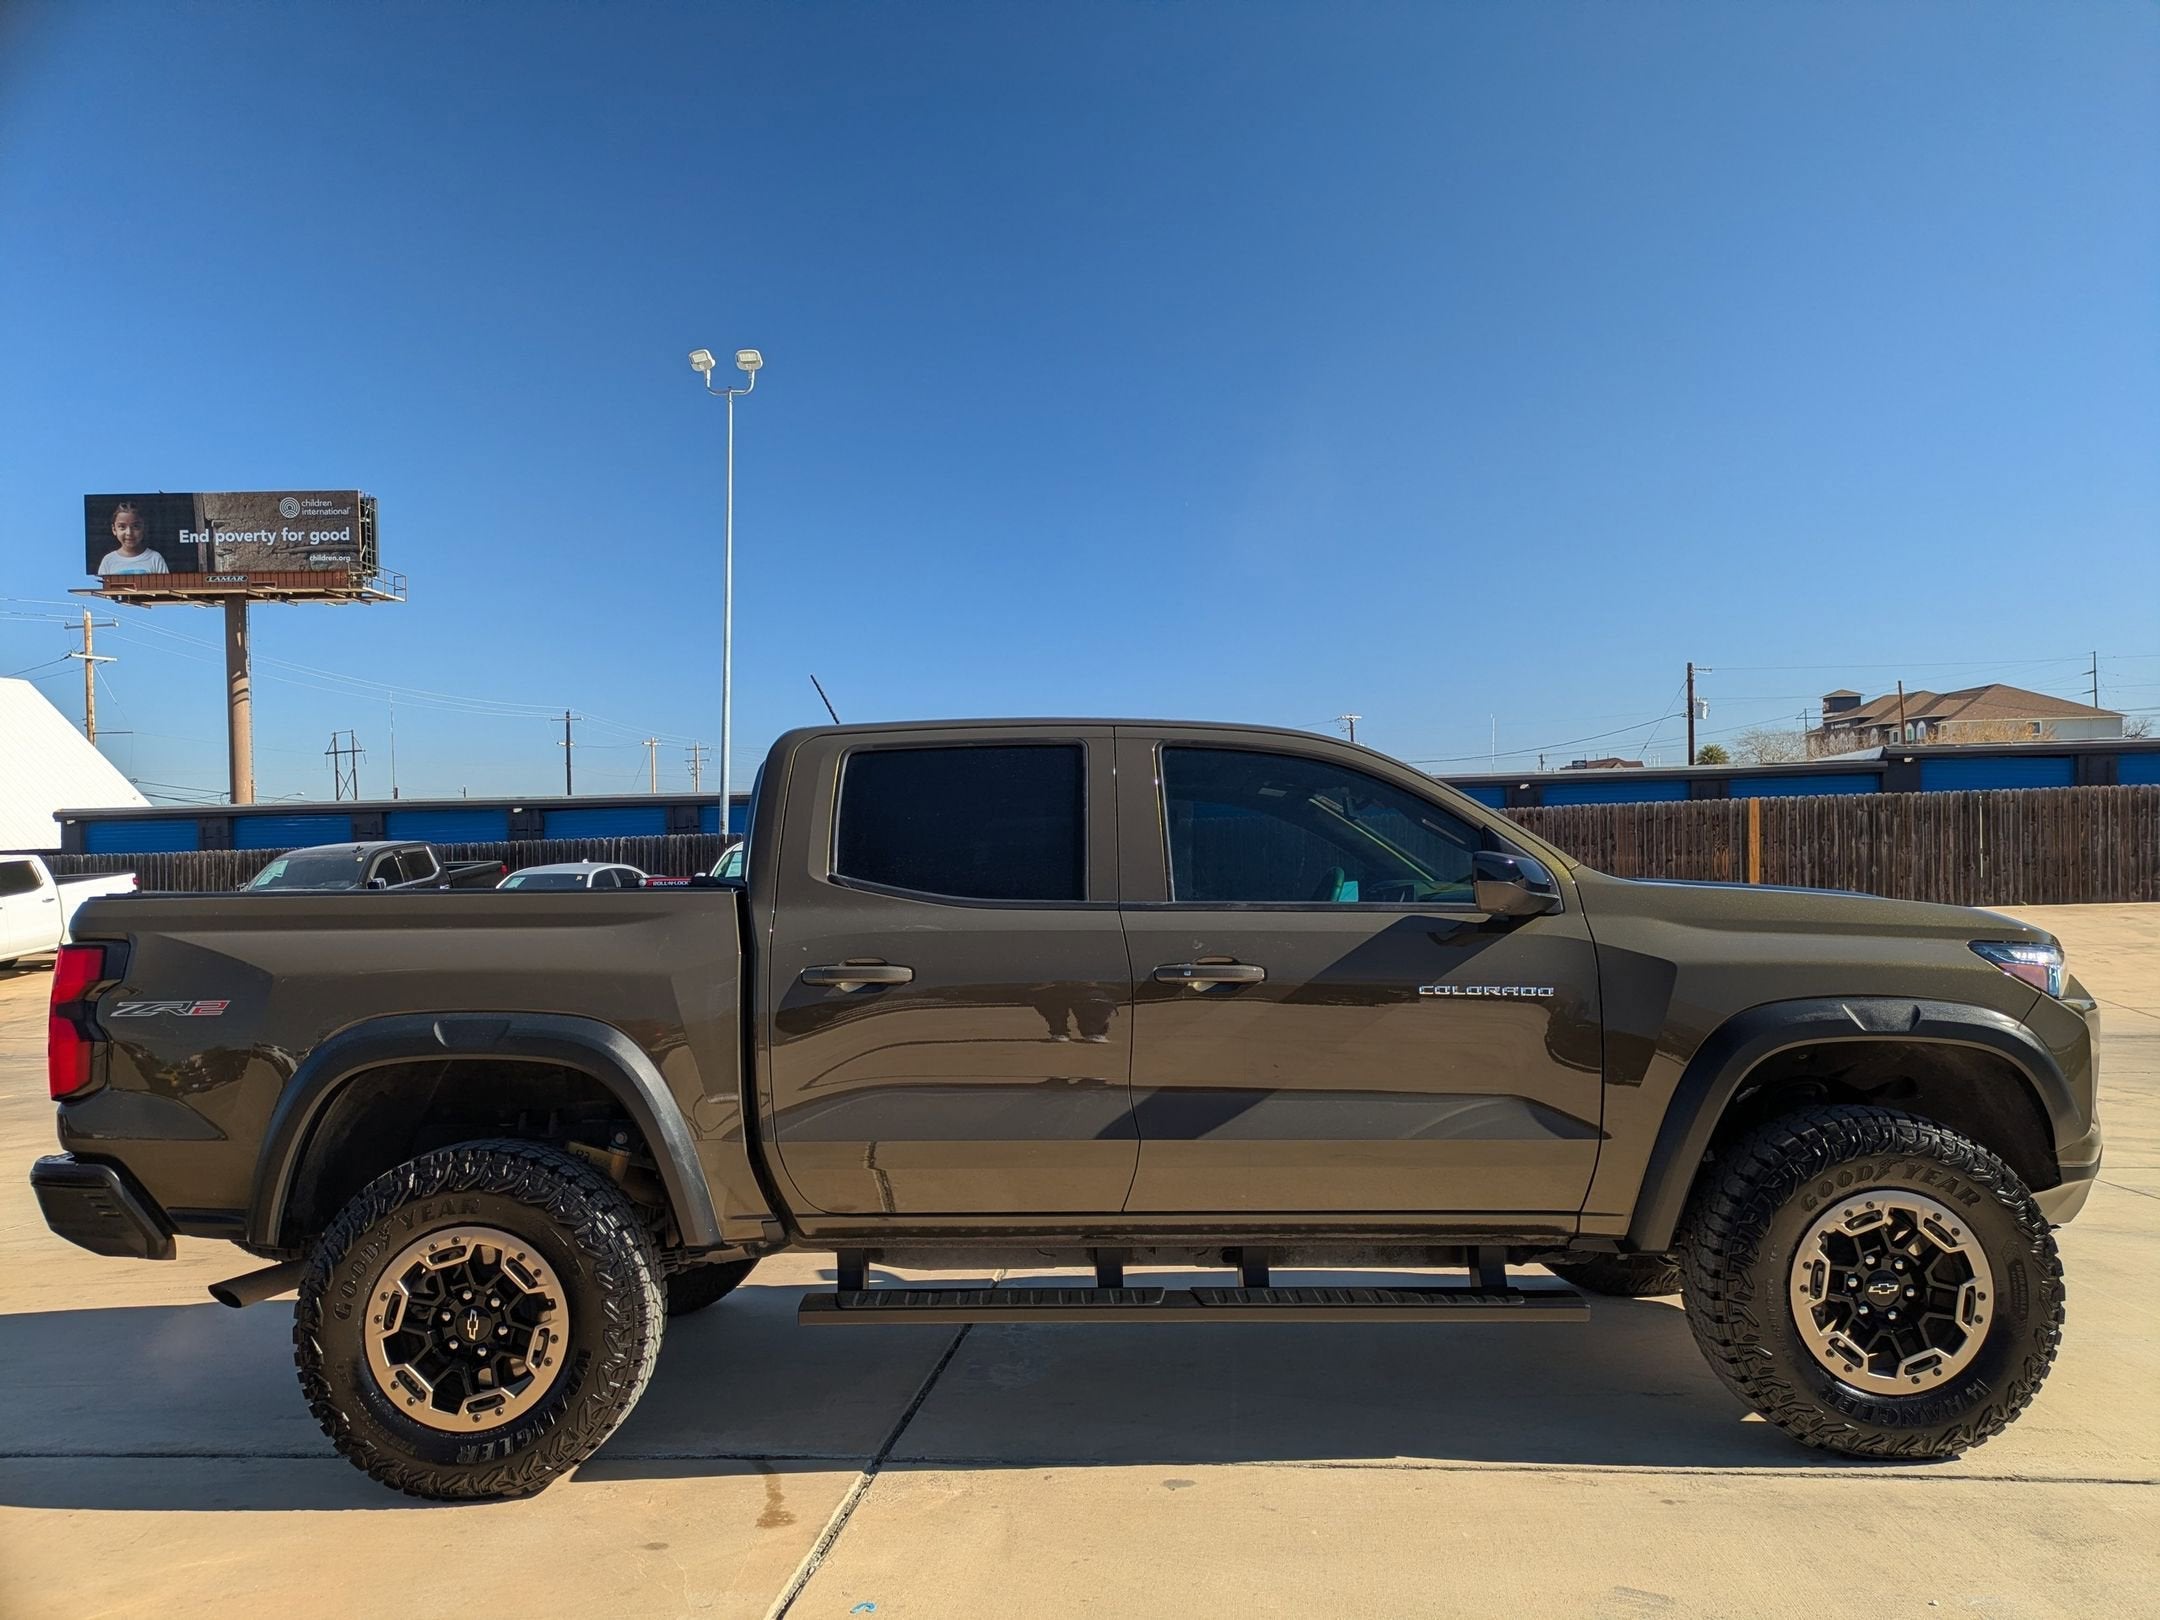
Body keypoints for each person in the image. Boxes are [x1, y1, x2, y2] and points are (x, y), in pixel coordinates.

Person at [96, 502, 168, 575]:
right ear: (114, 529)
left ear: (144, 528)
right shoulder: (108, 561)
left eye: (135, 526)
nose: (129, 533)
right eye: (122, 527)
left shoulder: (155, 558)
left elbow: (166, 586)